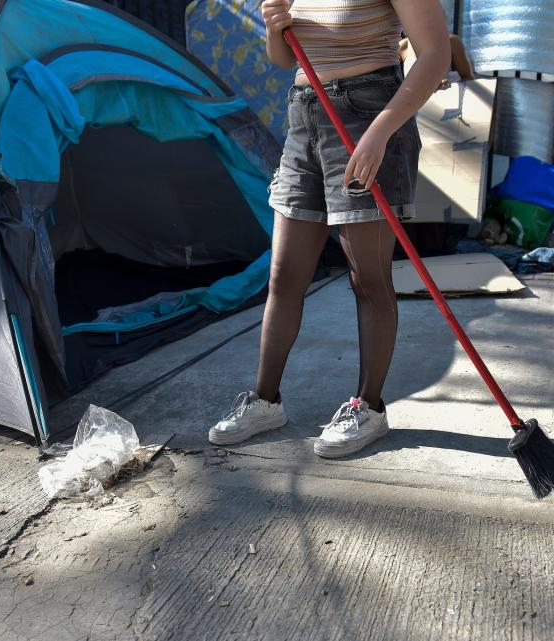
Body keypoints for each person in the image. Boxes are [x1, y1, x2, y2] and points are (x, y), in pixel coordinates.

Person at [207, 0, 450, 458]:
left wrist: (380, 132)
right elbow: (287, 59)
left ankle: (369, 407)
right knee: (284, 276)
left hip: (368, 116)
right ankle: (265, 400)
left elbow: (435, 54)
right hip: (304, 118)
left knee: (368, 279)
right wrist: (274, 28)